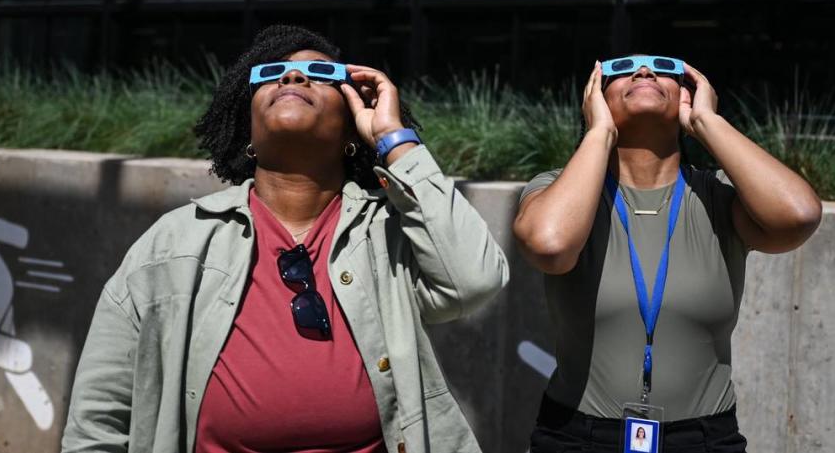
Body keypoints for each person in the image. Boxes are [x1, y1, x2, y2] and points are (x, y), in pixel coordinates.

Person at [61, 25, 509, 453]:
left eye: (321, 73)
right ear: (248, 130)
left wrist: (395, 140)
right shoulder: (172, 245)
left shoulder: (393, 232)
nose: (293, 75)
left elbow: (473, 280)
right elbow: (97, 422)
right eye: (271, 74)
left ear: (352, 131)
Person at [514, 55, 822, 453]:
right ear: (596, 96)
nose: (644, 72)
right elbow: (549, 244)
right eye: (623, 69)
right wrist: (599, 133)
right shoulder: (558, 190)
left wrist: (706, 124)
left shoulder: (719, 196)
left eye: (664, 68)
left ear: (687, 96)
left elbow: (798, 216)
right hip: (577, 436)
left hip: (704, 439)